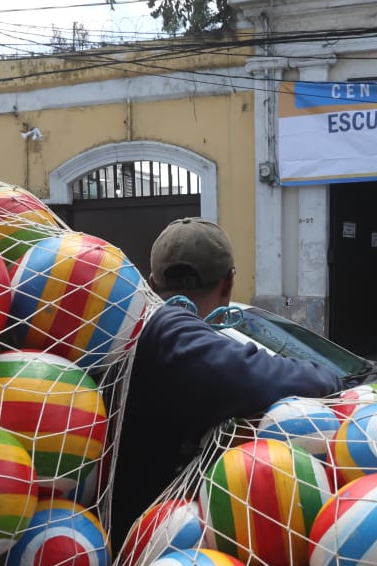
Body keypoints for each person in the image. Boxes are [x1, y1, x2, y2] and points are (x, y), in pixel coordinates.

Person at [107, 217, 347, 547]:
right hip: (150, 542)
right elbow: (262, 377)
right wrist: (331, 376)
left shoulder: (127, 330)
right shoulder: (169, 330)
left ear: (152, 282)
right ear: (228, 283)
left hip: (126, 530)